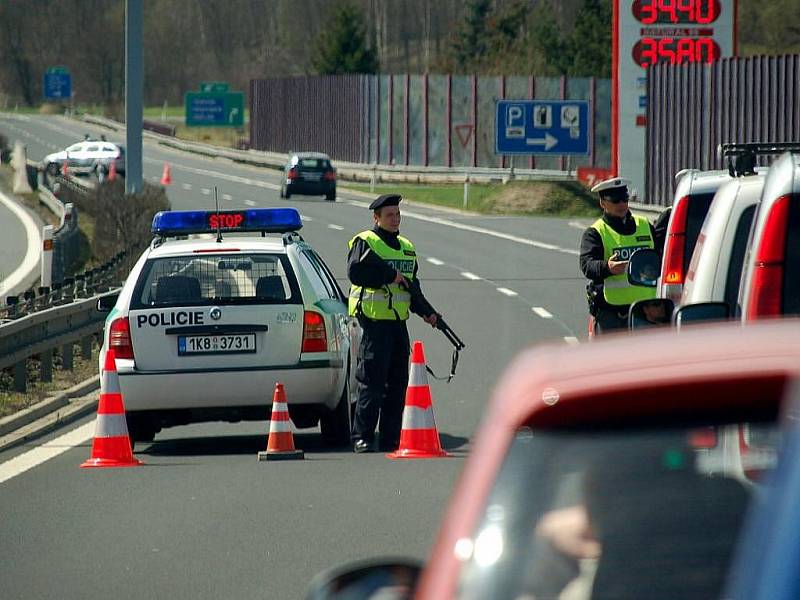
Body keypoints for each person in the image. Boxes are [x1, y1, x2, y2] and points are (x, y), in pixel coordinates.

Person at [347, 194, 439, 453]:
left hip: (398, 324)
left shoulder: (407, 247)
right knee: (371, 383)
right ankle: (362, 437)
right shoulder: (366, 242)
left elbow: (412, 287)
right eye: (389, 215)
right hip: (374, 323)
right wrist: (389, 275)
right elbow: (356, 272)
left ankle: (390, 437)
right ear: (376, 217)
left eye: (398, 215)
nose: (395, 219)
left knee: (397, 384)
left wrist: (428, 313)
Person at [579, 177, 657, 334]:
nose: (621, 204)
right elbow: (587, 265)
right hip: (612, 314)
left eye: (624, 199)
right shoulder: (596, 232)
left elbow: (662, 256)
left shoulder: (645, 225)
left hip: (647, 310)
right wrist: (607, 267)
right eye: (615, 201)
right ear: (603, 203)